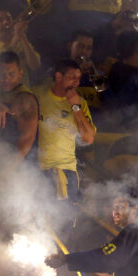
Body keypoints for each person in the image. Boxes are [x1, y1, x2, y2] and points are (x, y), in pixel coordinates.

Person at [38, 59, 96, 200]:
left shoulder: (80, 103)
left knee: (66, 220)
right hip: (39, 169)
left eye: (78, 79)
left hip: (67, 170)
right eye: (72, 78)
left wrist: (76, 108)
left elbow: (88, 138)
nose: (76, 83)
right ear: (59, 77)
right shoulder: (39, 96)